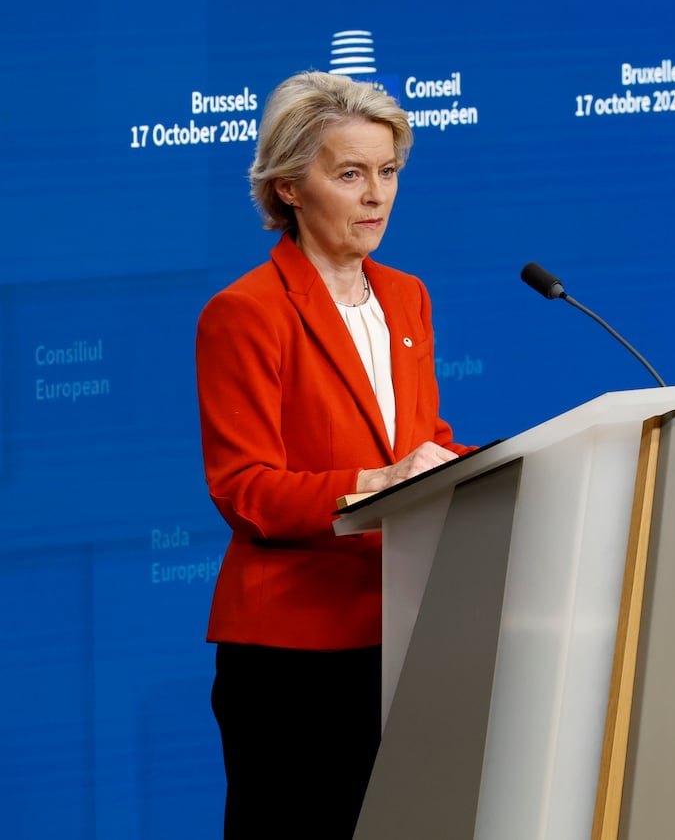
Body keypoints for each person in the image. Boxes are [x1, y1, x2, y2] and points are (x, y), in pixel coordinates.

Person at [196, 70, 473, 839]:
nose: (375, 195)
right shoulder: (244, 313)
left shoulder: (407, 296)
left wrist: (494, 465)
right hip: (294, 656)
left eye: (387, 172)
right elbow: (245, 489)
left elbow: (422, 442)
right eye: (349, 174)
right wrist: (376, 482)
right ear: (289, 186)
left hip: (406, 635)